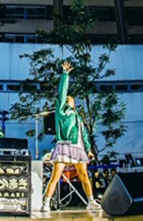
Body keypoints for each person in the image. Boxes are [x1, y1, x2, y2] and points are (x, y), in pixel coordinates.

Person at [41, 61, 101, 212]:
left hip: (78, 148)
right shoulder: (61, 112)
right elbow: (62, 92)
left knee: (84, 176)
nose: (68, 100)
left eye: (70, 99)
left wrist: (88, 149)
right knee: (55, 177)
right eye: (66, 99)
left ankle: (91, 201)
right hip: (64, 145)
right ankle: (46, 203)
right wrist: (65, 75)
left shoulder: (78, 118)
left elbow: (84, 134)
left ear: (74, 103)